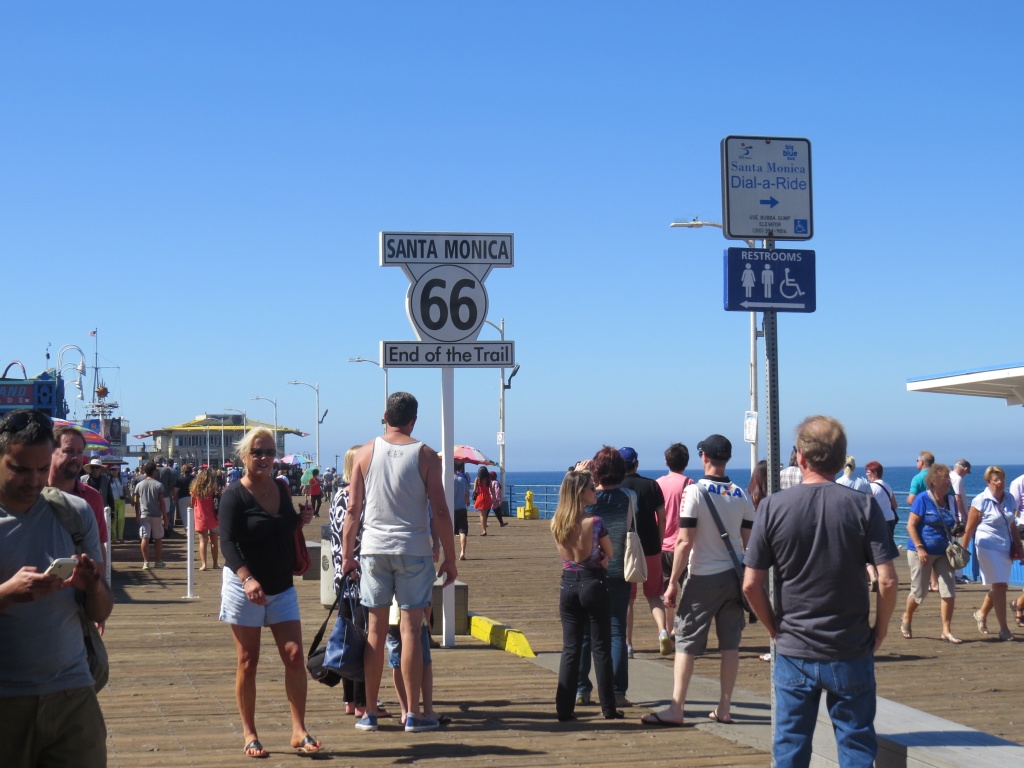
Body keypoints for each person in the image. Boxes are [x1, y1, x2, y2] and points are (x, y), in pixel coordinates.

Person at [742, 415, 898, 767]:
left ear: (801, 458)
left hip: (794, 646)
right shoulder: (863, 505)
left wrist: (774, 629)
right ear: (841, 459)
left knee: (790, 746)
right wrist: (880, 629)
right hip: (850, 645)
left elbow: (751, 584)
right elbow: (888, 580)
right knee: (856, 744)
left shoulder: (772, 507)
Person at [0, 408, 114, 768]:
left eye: (41, 467)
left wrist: (93, 588)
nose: (34, 479)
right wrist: (6, 595)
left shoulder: (74, 513)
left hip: (72, 695)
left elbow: (101, 611)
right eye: (20, 469)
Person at [341, 392, 457, 734]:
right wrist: (450, 558)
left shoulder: (364, 453)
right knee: (410, 631)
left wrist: (347, 555)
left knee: (375, 632)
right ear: (413, 420)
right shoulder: (425, 455)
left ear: (384, 416)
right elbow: (439, 511)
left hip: (374, 550)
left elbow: (353, 511)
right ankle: (413, 715)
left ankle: (370, 712)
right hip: (413, 549)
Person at [218, 427, 321, 758]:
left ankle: (298, 731)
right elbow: (227, 543)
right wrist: (247, 579)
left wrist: (301, 520)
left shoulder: (280, 487)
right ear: (244, 456)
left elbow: (283, 526)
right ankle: (250, 733)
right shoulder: (234, 495)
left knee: (294, 655)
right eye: (257, 452)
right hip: (244, 586)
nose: (264, 458)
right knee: (248, 660)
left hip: (281, 585)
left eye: (269, 452)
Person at [642, 434, 754, 727]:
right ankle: (724, 708)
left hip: (703, 576)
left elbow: (684, 541)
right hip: (734, 578)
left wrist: (672, 582)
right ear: (728, 458)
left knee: (686, 641)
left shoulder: (695, 492)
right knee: (730, 644)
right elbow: (749, 543)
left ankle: (676, 708)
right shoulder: (741, 494)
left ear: (704, 457)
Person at [551, 468, 621, 721]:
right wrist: (603, 558)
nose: (596, 491)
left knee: (570, 648)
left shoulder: (556, 522)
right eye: (592, 487)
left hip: (568, 585)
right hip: (593, 583)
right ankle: (608, 707)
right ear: (581, 493)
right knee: (600, 648)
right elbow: (609, 553)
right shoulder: (595, 522)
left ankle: (564, 708)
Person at [575, 447, 632, 709]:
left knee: (586, 633)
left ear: (596, 471)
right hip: (619, 571)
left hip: (589, 572)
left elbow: (568, 512)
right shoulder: (630, 497)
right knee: (617, 631)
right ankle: (617, 692)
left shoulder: (587, 498)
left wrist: (579, 477)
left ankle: (581, 689)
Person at [329, 445, 373, 718]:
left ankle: (349, 699)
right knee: (363, 639)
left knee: (347, 637)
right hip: (358, 575)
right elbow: (358, 536)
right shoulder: (358, 499)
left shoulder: (337, 495)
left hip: (341, 575)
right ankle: (362, 702)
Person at [900, 464, 962, 643]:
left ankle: (946, 630)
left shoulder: (950, 500)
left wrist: (958, 530)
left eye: (949, 479)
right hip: (922, 551)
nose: (949, 482)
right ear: (934, 481)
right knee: (919, 592)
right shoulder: (922, 499)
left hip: (944, 552)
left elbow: (952, 523)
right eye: (945, 479)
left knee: (949, 590)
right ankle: (907, 616)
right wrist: (920, 548)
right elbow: (910, 525)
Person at [962, 466, 1024, 641]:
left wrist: (1019, 546)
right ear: (988, 482)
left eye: (1002, 479)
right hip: (987, 546)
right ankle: (1004, 629)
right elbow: (969, 528)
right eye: (996, 480)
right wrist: (962, 550)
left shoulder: (1009, 498)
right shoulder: (980, 500)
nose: (1000, 482)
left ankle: (981, 613)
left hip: (1005, 546)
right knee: (1000, 585)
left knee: (1000, 585)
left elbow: (1012, 524)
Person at [618, 447, 670, 657]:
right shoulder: (652, 485)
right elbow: (662, 518)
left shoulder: (617, 487)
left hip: (627, 549)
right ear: (637, 464)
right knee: (654, 595)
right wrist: (659, 541)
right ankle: (663, 631)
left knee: (627, 599)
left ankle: (628, 645)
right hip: (651, 548)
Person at [48, 426, 108, 552]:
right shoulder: (32, 494)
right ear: (49, 453)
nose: (76, 457)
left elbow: (99, 546)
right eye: (69, 451)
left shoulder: (92, 497)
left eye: (80, 452)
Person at [656, 443, 693, 592]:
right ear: (686, 462)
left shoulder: (657, 484)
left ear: (666, 462)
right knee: (688, 591)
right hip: (682, 545)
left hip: (661, 545)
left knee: (663, 593)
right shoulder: (689, 484)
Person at [133, 461, 168, 570]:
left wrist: (137, 515)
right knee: (158, 538)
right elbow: (162, 502)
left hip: (144, 514)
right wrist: (165, 516)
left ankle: (146, 562)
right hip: (156, 515)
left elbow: (136, 501)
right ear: (154, 471)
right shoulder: (158, 485)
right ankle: (158, 561)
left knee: (145, 537)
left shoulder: (139, 485)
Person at [190, 467, 220, 570]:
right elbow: (220, 497)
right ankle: (215, 563)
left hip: (201, 517)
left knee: (203, 541)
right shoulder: (213, 488)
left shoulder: (195, 489)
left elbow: (192, 503)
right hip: (213, 517)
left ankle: (204, 564)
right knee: (214, 541)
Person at [452, 461, 470, 560]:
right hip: (462, 508)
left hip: (451, 509)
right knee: (462, 531)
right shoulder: (463, 480)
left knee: (449, 531)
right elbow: (466, 495)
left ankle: (450, 552)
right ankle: (462, 551)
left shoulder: (448, 480)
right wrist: (466, 502)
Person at [171, 464, 195, 534]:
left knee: (184, 515)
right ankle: (192, 528)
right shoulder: (194, 478)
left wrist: (174, 497)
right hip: (192, 498)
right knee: (193, 514)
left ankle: (187, 529)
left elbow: (176, 489)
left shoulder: (180, 479)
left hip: (182, 498)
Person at [472, 465, 493, 535]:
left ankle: (484, 530)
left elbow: (474, 490)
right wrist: (494, 498)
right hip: (487, 496)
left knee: (481, 514)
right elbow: (492, 490)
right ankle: (485, 529)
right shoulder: (488, 479)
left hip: (480, 496)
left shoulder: (477, 479)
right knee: (485, 514)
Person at [109, 464, 126, 544]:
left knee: (121, 518)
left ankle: (120, 536)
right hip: (112, 501)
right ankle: (114, 537)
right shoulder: (108, 480)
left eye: (115, 469)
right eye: (112, 469)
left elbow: (126, 489)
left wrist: (131, 499)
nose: (113, 471)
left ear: (118, 471)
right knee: (113, 519)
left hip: (121, 500)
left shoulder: (122, 479)